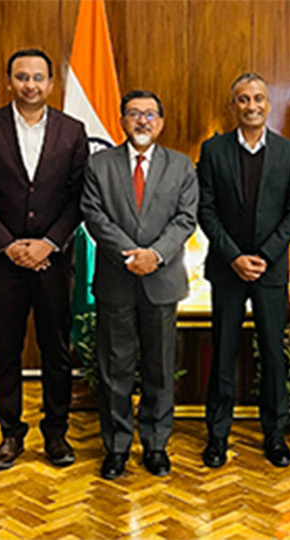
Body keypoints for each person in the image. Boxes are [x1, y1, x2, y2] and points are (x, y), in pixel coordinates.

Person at [0, 48, 88, 471]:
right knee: (6, 350)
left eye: (38, 77)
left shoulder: (73, 131)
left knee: (55, 350)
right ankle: (10, 434)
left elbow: (79, 196)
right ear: (9, 81)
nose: (30, 84)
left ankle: (56, 434)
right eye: (22, 77)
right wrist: (7, 243)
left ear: (52, 84)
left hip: (53, 262)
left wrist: (49, 243)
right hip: (3, 264)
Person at [80, 89, 199, 479]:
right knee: (115, 368)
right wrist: (131, 253)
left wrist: (156, 255)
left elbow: (185, 218)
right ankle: (115, 447)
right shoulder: (100, 165)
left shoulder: (181, 166)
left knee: (159, 368)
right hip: (117, 279)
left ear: (161, 123)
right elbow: (93, 215)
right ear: (122, 121)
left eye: (150, 114)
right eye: (134, 113)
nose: (142, 120)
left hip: (161, 282)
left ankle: (155, 445)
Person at [195, 73, 290, 469]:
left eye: (258, 98)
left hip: (271, 269)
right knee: (222, 352)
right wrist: (234, 257)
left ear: (268, 103)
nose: (252, 105)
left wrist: (265, 253)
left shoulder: (289, 152)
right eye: (243, 99)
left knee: (273, 355)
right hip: (228, 270)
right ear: (234, 106)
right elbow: (204, 210)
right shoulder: (213, 151)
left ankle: (275, 435)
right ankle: (217, 436)